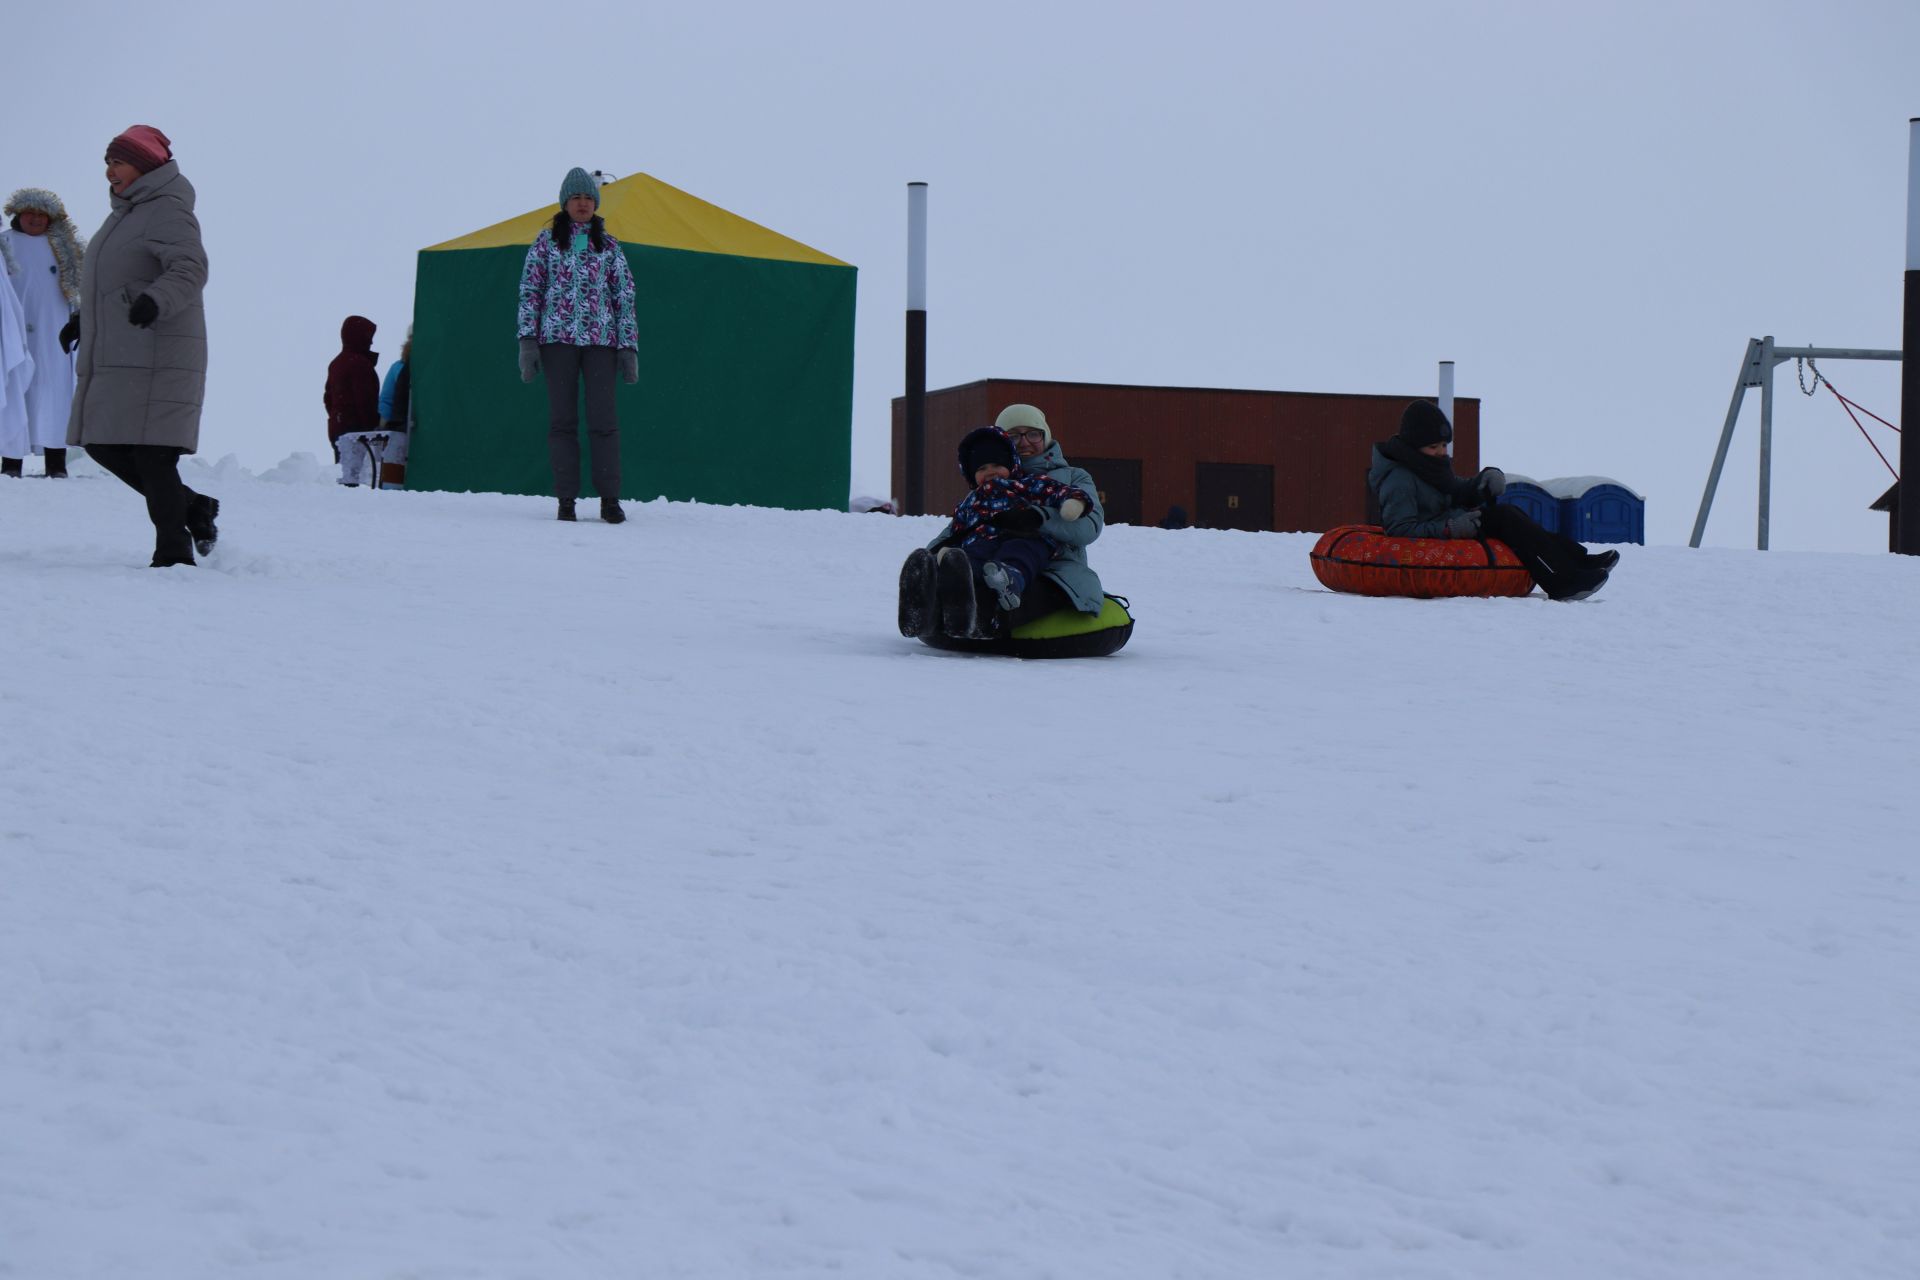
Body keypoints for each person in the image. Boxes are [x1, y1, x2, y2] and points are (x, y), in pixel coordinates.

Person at [66, 125, 218, 567]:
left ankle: (173, 554)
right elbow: (114, 283)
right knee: (101, 443)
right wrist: (82, 319)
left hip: (161, 352)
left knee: (153, 454)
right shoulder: (126, 215)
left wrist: (156, 299)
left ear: (145, 165)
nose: (110, 171)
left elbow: (190, 268)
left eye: (119, 161)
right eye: (108, 163)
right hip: (125, 353)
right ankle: (193, 506)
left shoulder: (167, 210)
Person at [1366, 399, 1618, 601]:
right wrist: (1449, 529)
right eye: (1434, 447)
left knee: (1512, 514)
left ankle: (1578, 560)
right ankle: (1561, 582)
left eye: (1444, 445)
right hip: (1447, 531)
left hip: (1458, 523)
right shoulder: (1399, 478)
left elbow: (1455, 489)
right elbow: (1399, 528)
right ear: (1413, 445)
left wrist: (1483, 481)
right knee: (1506, 519)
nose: (1441, 452)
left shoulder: (1428, 465)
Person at [898, 402, 1108, 639]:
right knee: (967, 569)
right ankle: (931, 614)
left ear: (1045, 435)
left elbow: (1088, 526)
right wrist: (933, 558)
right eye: (1014, 436)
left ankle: (980, 620)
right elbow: (959, 529)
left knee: (1013, 582)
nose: (1025, 442)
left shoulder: (1072, 477)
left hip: (1053, 569)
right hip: (989, 560)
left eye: (1033, 434)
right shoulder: (986, 487)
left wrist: (1037, 519)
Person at [517, 167, 639, 523]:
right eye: (576, 197)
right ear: (565, 203)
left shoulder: (610, 245)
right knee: (562, 422)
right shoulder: (546, 242)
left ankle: (609, 500)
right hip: (557, 341)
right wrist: (527, 342)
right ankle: (566, 501)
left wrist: (628, 346)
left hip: (601, 342)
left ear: (596, 202)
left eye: (588, 197)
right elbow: (530, 291)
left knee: (604, 421)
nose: (583, 203)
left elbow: (624, 295)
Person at [1, 188, 84, 478]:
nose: (35, 219)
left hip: (54, 329)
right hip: (13, 329)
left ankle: (56, 462)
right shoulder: (5, 243)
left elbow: (80, 287)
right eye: (29, 213)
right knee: (15, 389)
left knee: (54, 392)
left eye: (42, 214)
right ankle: (11, 463)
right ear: (18, 214)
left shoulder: (63, 247)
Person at [324, 315, 381, 486]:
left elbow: (328, 397)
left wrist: (338, 416)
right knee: (358, 480)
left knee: (345, 475)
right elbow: (365, 401)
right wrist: (373, 426)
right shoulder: (360, 364)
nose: (371, 342)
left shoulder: (336, 363)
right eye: (369, 337)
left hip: (338, 428)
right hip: (357, 432)